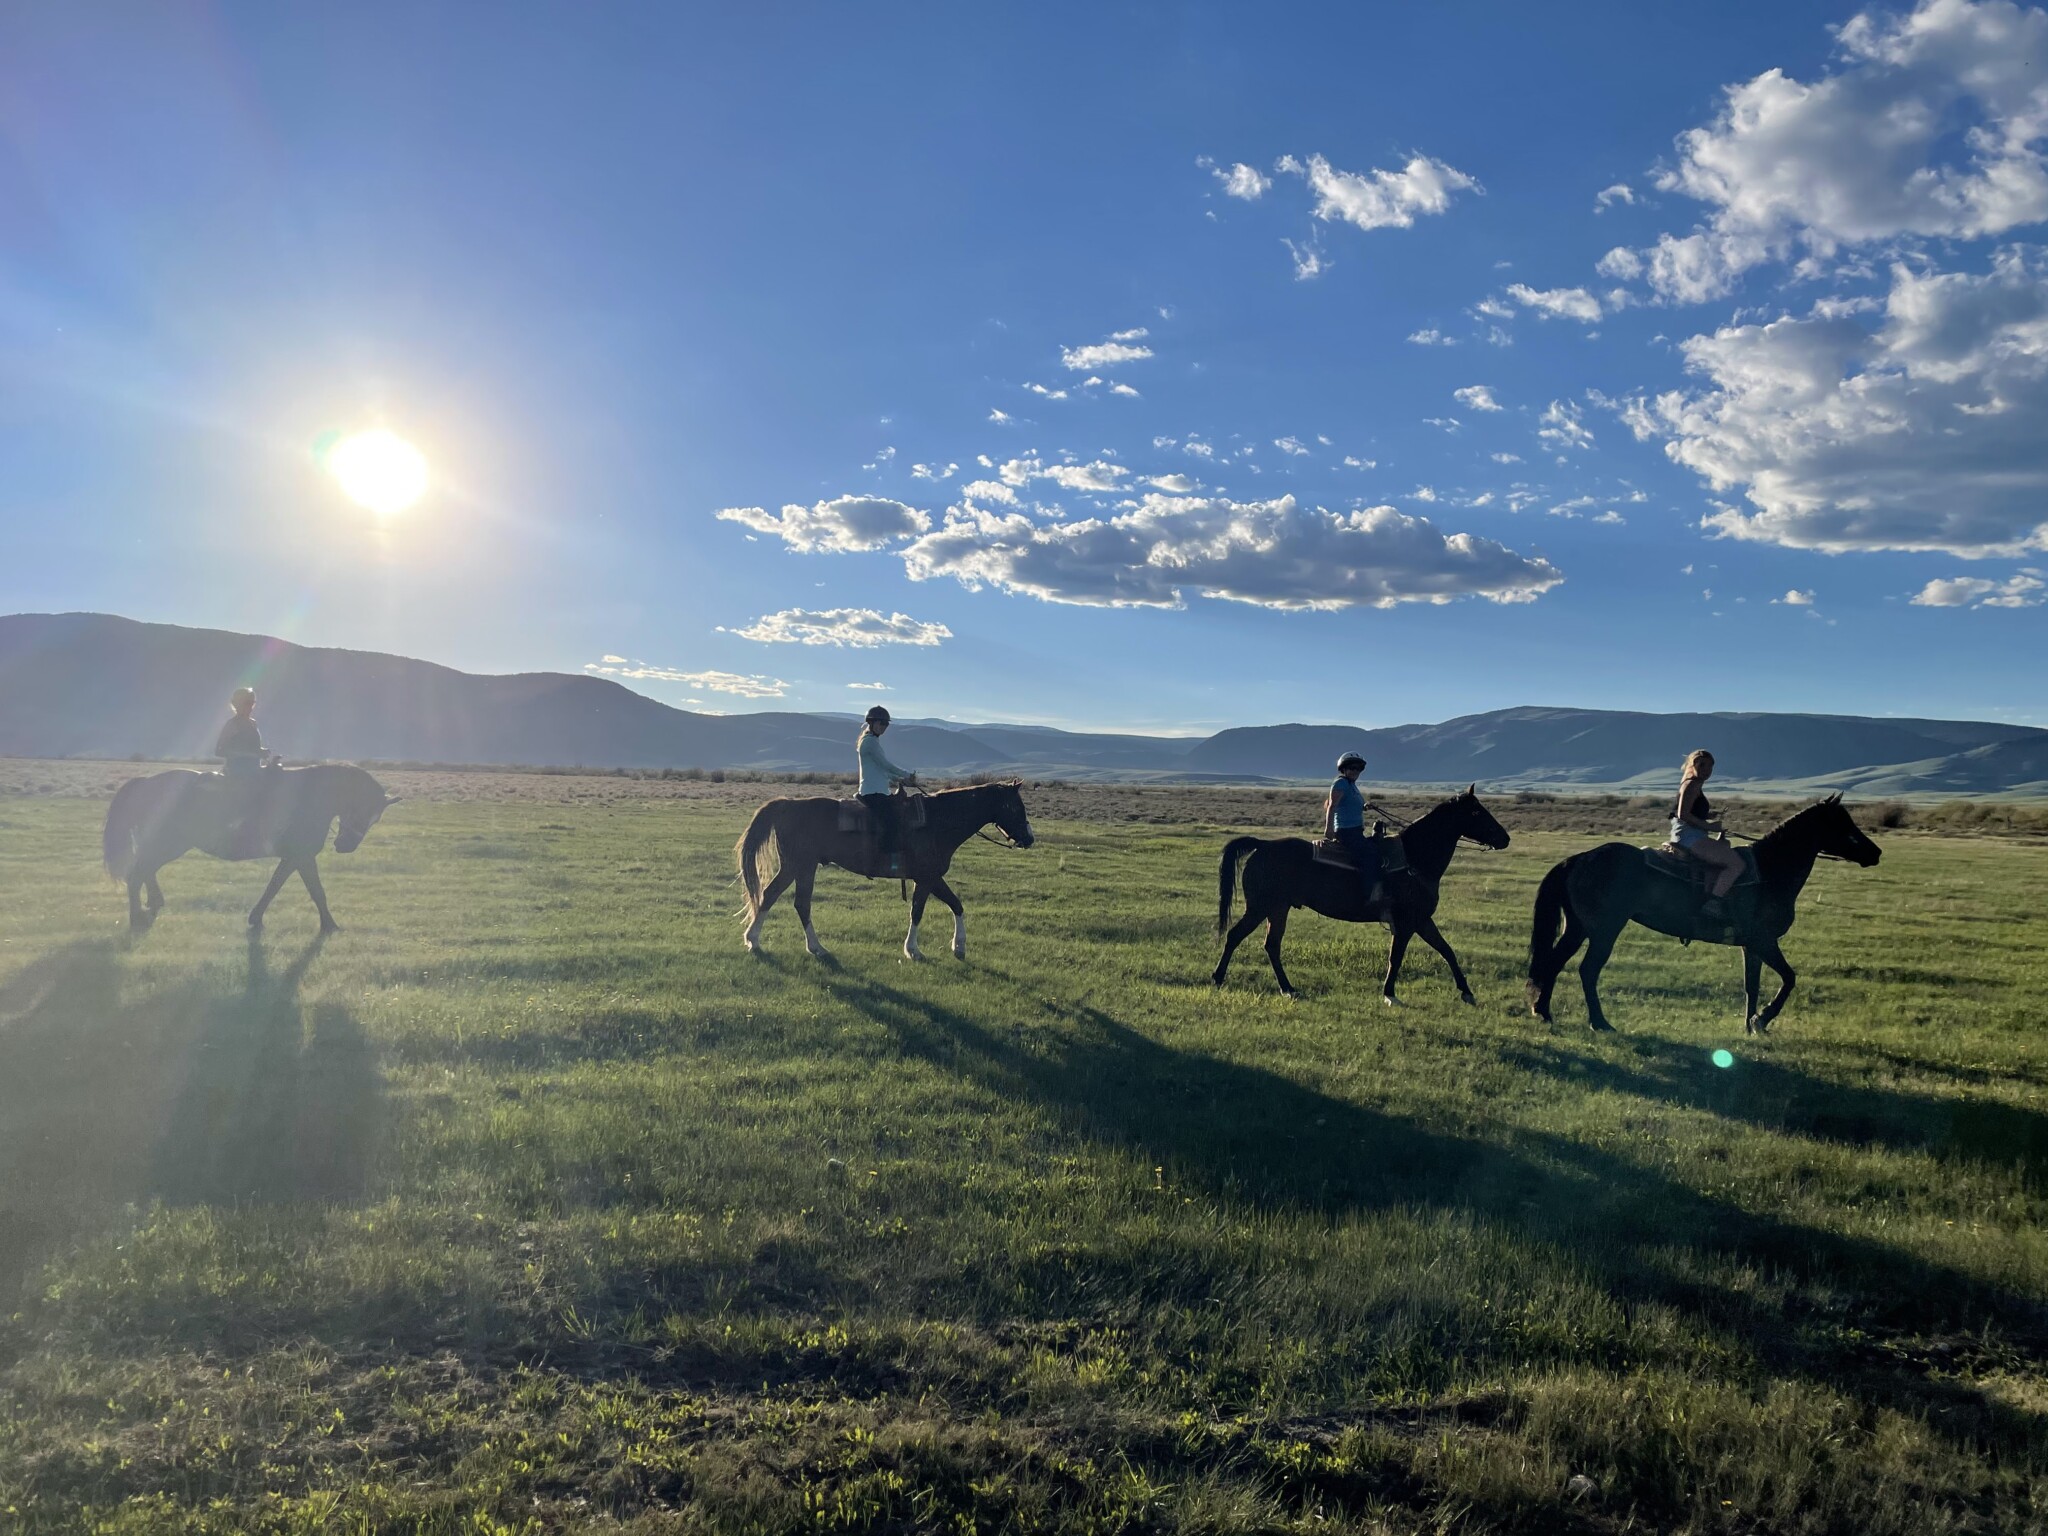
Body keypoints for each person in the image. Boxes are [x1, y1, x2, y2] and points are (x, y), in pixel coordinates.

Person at [1672, 748, 1744, 916]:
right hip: (1690, 836)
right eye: (1702, 765)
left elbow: (1689, 811)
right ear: (1692, 765)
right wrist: (1711, 827)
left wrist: (1709, 815)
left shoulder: (1691, 783)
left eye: (1710, 766)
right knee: (1736, 864)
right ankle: (1713, 903)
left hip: (1690, 834)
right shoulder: (1692, 784)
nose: (1706, 770)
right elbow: (1682, 814)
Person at [856, 705, 916, 871]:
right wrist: (907, 775)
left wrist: (901, 780)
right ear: (871, 723)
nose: (883, 727)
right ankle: (882, 858)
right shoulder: (869, 743)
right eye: (880, 723)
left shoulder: (872, 741)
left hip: (879, 791)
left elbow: (882, 771)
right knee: (892, 822)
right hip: (872, 792)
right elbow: (885, 765)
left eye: (885, 724)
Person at [1323, 750, 1383, 907]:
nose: (1355, 771)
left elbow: (1348, 804)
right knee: (1371, 856)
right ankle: (1367, 896)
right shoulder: (1341, 783)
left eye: (1358, 769)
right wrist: (1328, 828)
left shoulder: (1351, 786)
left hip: (1355, 830)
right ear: (1344, 769)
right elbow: (1332, 806)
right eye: (1352, 768)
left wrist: (1364, 807)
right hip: (1346, 832)